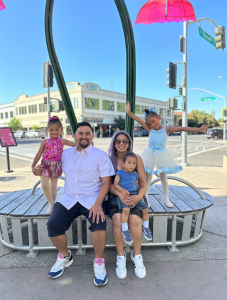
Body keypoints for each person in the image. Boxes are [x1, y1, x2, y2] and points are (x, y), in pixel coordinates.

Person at [33, 122, 115, 286]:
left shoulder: (100, 156)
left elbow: (106, 183)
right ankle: (64, 256)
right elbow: (50, 167)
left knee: (99, 223)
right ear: (75, 136)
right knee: (53, 225)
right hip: (69, 197)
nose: (84, 136)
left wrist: (98, 203)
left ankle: (99, 261)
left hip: (92, 198)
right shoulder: (65, 154)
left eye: (87, 133)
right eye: (80, 133)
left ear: (92, 136)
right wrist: (39, 169)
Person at [126, 102, 208, 208]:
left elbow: (182, 129)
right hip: (149, 154)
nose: (152, 125)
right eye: (149, 124)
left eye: (153, 122)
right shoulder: (150, 129)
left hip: (162, 155)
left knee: (163, 177)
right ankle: (145, 199)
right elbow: (139, 120)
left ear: (159, 117)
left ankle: (166, 199)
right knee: (147, 178)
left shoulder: (167, 129)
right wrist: (129, 113)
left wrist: (199, 130)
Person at [107, 130, 147, 279]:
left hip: (134, 196)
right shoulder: (109, 159)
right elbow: (108, 184)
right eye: (118, 141)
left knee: (135, 220)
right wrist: (119, 194)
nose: (121, 143)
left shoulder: (136, 158)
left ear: (129, 143)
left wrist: (139, 197)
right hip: (115, 197)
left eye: (125, 141)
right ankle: (121, 257)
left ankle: (137, 256)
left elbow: (142, 183)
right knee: (118, 219)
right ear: (114, 143)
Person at [31, 116, 77, 214]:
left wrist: (88, 144)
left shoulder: (63, 141)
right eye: (51, 130)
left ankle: (52, 204)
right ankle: (51, 203)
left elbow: (76, 146)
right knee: (44, 185)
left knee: (53, 186)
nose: (54, 132)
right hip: (45, 166)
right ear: (47, 130)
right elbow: (39, 154)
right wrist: (33, 165)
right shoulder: (45, 141)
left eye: (57, 130)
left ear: (61, 130)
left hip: (56, 166)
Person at [114, 152, 152, 244]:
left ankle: (146, 227)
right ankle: (124, 229)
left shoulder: (135, 174)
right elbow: (115, 184)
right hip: (125, 194)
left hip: (135, 194)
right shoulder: (120, 173)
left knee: (145, 209)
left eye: (134, 163)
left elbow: (137, 184)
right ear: (123, 163)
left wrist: (139, 196)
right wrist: (122, 191)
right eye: (129, 163)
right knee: (126, 210)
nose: (132, 165)